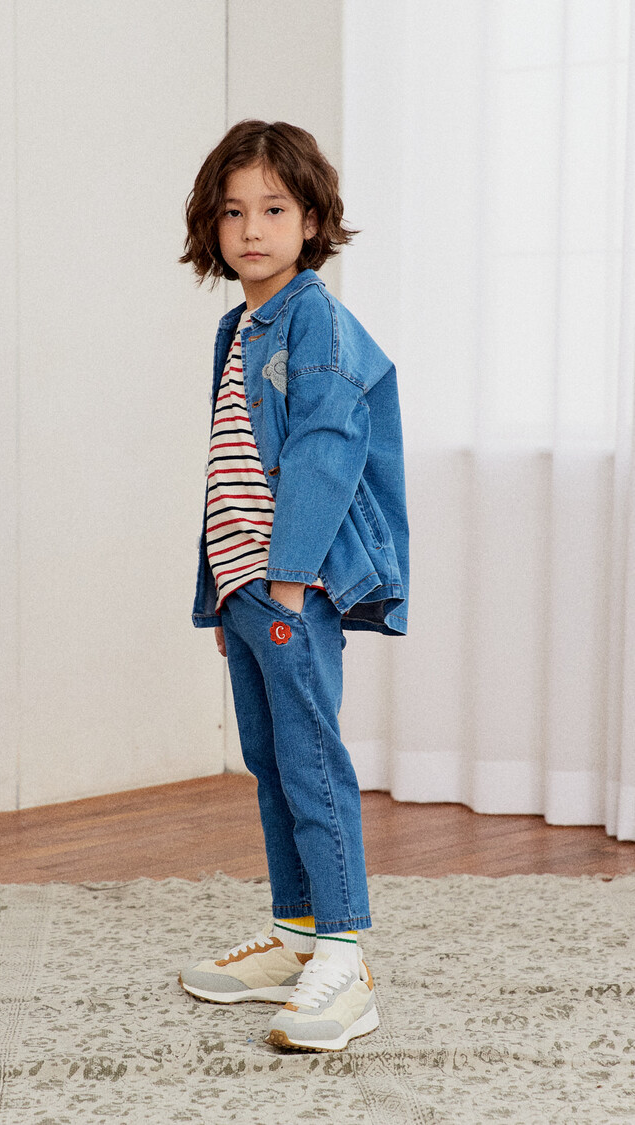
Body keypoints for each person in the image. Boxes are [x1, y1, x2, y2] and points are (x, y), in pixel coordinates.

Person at [177, 119, 409, 1052]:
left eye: (273, 210)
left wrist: (285, 580)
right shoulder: (238, 326)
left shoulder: (313, 317)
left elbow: (323, 449)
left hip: (289, 586)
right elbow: (229, 467)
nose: (252, 229)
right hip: (246, 587)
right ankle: (298, 935)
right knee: (271, 762)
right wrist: (223, 589)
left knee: (312, 762)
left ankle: (344, 962)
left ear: (311, 221)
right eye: (234, 212)